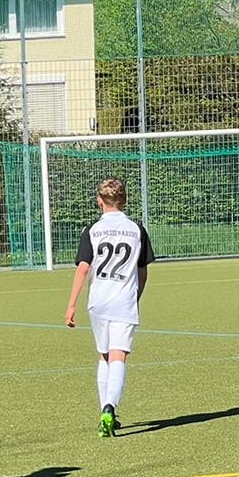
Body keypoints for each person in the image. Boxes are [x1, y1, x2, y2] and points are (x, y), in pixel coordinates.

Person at [63, 178, 155, 437]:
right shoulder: (136, 229)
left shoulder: (93, 229)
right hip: (124, 300)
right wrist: (135, 297)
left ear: (99, 201)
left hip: (98, 301)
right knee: (118, 356)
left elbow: (83, 268)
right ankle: (110, 407)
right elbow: (143, 272)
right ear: (124, 200)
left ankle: (104, 414)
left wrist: (71, 305)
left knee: (104, 355)